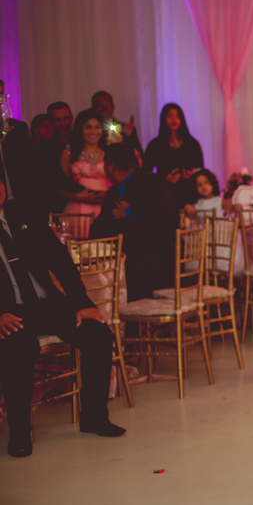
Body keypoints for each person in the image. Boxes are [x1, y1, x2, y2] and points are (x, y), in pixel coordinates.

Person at [0, 175, 125, 458]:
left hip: (46, 302)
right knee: (19, 347)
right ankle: (20, 432)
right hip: (9, 312)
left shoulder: (22, 213)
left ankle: (94, 417)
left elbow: (60, 260)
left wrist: (81, 303)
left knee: (97, 333)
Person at [89, 142, 176, 301]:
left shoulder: (152, 182)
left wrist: (130, 212)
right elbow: (100, 227)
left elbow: (167, 214)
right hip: (125, 254)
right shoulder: (114, 191)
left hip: (154, 257)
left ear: (111, 166)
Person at [143, 103, 204, 207]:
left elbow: (201, 169)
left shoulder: (192, 144)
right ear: (163, 119)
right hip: (165, 194)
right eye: (170, 116)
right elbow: (146, 173)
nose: (174, 120)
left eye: (177, 116)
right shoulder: (155, 145)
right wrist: (164, 178)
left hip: (190, 193)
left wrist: (191, 175)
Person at [60, 109, 111, 219]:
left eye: (97, 127)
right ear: (80, 129)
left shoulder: (109, 154)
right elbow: (60, 186)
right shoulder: (68, 154)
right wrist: (78, 196)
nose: (93, 131)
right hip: (77, 208)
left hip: (104, 207)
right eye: (88, 127)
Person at [34, 102, 77, 216]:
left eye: (66, 118)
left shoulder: (80, 141)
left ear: (72, 117)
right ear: (51, 122)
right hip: (55, 208)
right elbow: (51, 182)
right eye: (57, 120)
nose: (63, 124)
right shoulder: (44, 148)